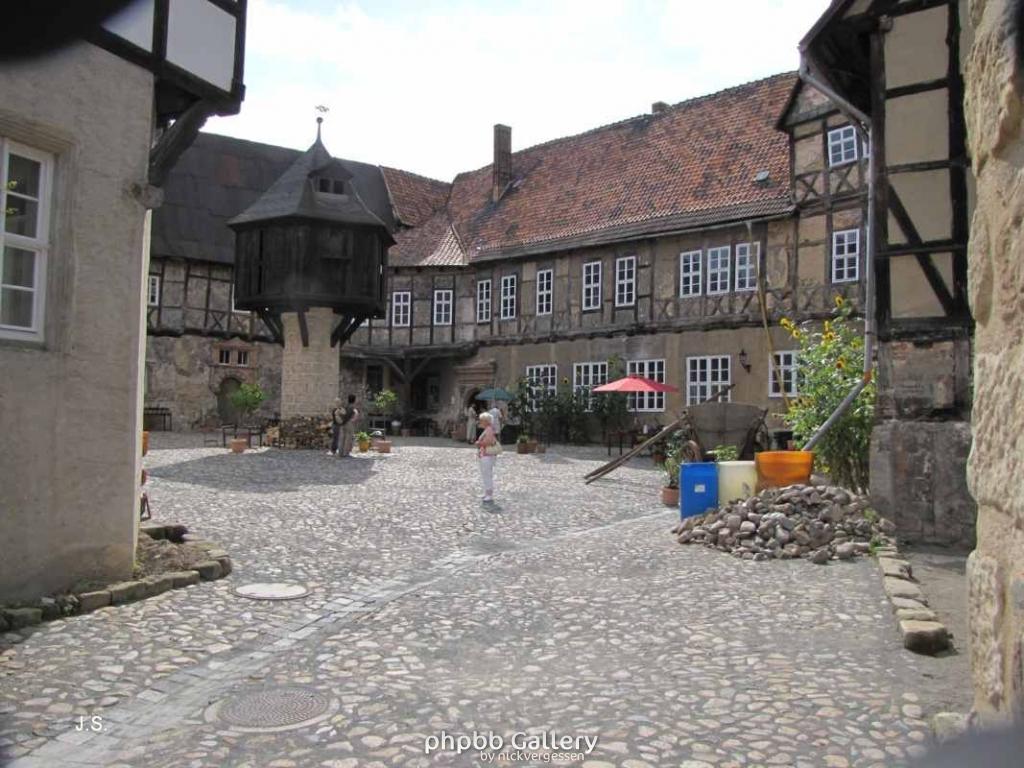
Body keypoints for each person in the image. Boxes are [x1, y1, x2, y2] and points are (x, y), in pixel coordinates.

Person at [475, 411, 499, 502]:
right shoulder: (488, 429)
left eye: (481, 420)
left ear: (486, 421)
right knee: (485, 474)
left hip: (487, 455)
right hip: (485, 455)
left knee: (487, 474)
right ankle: (487, 492)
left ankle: (489, 494)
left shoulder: (489, 429)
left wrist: (479, 443)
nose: (480, 422)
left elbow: (489, 442)